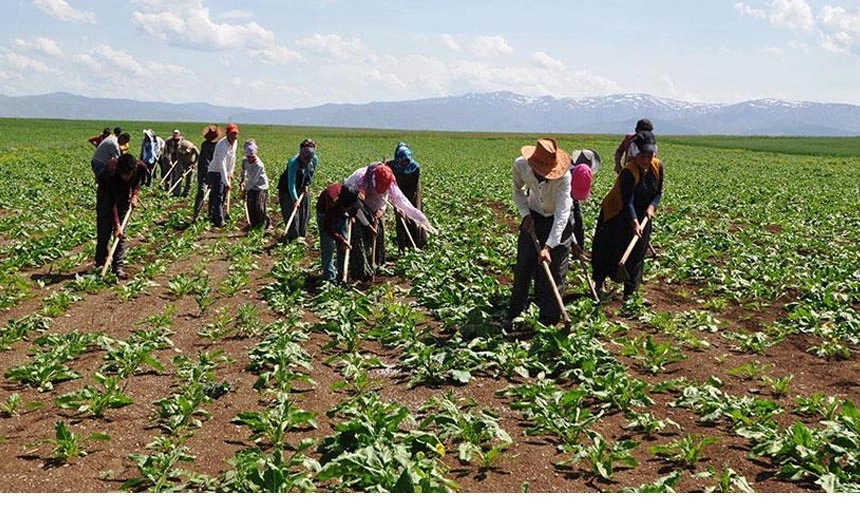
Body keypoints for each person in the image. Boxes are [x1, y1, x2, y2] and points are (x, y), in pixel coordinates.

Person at [506, 137, 573, 328]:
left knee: (555, 271)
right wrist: (525, 214)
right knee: (524, 266)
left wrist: (549, 246)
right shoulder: (520, 166)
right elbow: (517, 191)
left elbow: (562, 214)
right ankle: (515, 313)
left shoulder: (564, 177)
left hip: (557, 222)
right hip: (534, 216)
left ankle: (549, 321)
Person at [592, 131, 663, 302]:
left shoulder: (657, 167)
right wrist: (634, 222)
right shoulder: (628, 172)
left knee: (638, 252)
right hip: (617, 213)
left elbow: (658, 193)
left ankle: (630, 293)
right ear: (635, 154)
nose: (646, 160)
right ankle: (599, 284)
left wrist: (652, 207)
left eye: (649, 156)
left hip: (643, 214)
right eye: (642, 156)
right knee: (608, 249)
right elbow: (628, 201)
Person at [341, 162, 435, 282]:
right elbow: (355, 207)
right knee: (359, 235)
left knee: (379, 232)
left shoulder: (389, 179)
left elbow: (385, 195)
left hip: (375, 203)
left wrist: (381, 210)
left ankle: (377, 263)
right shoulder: (358, 179)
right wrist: (368, 225)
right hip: (355, 204)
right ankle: (361, 270)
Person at [95, 153, 142, 279]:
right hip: (105, 198)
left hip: (123, 198)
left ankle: (118, 267)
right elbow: (111, 202)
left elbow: (137, 181)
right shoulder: (110, 173)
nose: (126, 177)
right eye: (123, 174)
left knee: (121, 235)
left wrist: (135, 195)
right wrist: (116, 225)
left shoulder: (139, 168)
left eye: (129, 174)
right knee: (104, 231)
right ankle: (100, 262)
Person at [315, 182, 362, 282]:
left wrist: (352, 215)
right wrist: (340, 239)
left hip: (341, 212)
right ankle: (329, 277)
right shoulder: (332, 203)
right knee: (328, 247)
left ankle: (342, 274)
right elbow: (328, 228)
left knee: (344, 245)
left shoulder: (351, 195)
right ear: (344, 205)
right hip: (324, 214)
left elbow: (355, 207)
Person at [387, 141, 428, 250]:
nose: (405, 163)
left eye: (406, 161)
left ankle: (418, 244)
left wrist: (407, 204)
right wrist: (397, 201)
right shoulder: (391, 166)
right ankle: (403, 245)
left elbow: (413, 187)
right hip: (397, 194)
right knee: (401, 220)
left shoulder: (415, 168)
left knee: (414, 215)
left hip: (412, 194)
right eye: (402, 161)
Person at [277, 138, 318, 241]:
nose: (306, 160)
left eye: (309, 158)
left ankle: (302, 235)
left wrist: (307, 184)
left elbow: (311, 173)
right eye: (304, 158)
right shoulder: (293, 162)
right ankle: (292, 237)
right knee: (292, 213)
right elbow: (291, 183)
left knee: (304, 211)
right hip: (287, 190)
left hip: (302, 187)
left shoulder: (314, 159)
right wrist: (295, 199)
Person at [568, 148, 601, 259]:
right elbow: (565, 217)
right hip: (562, 193)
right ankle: (571, 248)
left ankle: (579, 250)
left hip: (573, 193)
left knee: (578, 219)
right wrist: (573, 243)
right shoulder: (565, 172)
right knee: (569, 221)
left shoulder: (583, 172)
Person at [207, 123, 239, 227]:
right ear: (227, 134)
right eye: (232, 134)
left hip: (224, 171)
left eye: (236, 133)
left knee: (219, 195)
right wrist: (226, 182)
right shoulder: (222, 145)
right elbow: (222, 164)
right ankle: (219, 220)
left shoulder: (235, 143)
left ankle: (212, 214)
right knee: (218, 195)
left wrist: (231, 172)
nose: (234, 136)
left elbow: (233, 158)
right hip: (215, 172)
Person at [239, 139, 270, 230]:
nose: (250, 159)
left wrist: (244, 191)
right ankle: (254, 224)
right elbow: (243, 170)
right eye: (248, 157)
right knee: (250, 204)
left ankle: (266, 224)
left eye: (251, 157)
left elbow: (253, 180)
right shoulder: (245, 161)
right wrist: (242, 179)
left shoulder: (259, 165)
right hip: (251, 186)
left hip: (261, 186)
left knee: (259, 206)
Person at [193, 124, 221, 221]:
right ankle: (196, 214)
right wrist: (208, 176)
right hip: (204, 173)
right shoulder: (205, 145)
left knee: (214, 194)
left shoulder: (218, 145)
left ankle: (211, 214)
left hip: (215, 172)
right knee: (202, 192)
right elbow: (205, 162)